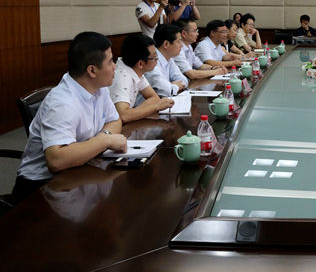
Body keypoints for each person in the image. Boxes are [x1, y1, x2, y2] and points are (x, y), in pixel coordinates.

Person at [13, 32, 127, 204]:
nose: (115, 67)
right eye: (110, 62)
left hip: (78, 170)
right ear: (92, 70)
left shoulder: (99, 88)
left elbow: (114, 121)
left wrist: (99, 141)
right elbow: (57, 160)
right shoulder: (62, 103)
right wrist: (105, 141)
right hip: (41, 188)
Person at [109, 33, 174, 122]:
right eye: (154, 57)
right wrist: (155, 107)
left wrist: (134, 113)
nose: (157, 60)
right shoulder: (122, 78)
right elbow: (123, 116)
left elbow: (154, 98)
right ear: (140, 63)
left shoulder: (135, 69)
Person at [144, 24, 188, 98]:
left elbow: (184, 81)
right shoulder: (151, 60)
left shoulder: (169, 58)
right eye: (179, 42)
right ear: (166, 44)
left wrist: (172, 86)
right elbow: (166, 91)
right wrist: (173, 86)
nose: (182, 45)